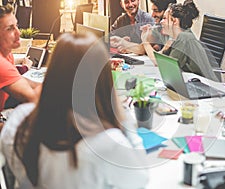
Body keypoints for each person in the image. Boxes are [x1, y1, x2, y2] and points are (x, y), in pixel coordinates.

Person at [0, 33, 149, 188]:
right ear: (101, 79)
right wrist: (122, 115)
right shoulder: (107, 143)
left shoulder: (18, 121)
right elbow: (140, 179)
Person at [142, 0, 219, 81]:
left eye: (164, 18)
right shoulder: (178, 38)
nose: (161, 22)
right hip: (194, 83)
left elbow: (168, 69)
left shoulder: (184, 38)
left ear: (174, 21)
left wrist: (145, 42)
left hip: (207, 86)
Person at [0, 4, 40, 113]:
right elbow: (34, 98)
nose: (18, 33)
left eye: (16, 26)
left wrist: (45, 84)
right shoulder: (1, 64)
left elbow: (19, 80)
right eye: (10, 29)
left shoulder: (7, 54)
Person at [110, 0, 176, 54]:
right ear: (121, 4)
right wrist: (123, 43)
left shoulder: (176, 35)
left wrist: (125, 44)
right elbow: (142, 48)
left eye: (156, 11)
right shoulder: (157, 27)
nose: (152, 15)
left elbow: (157, 54)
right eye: (126, 2)